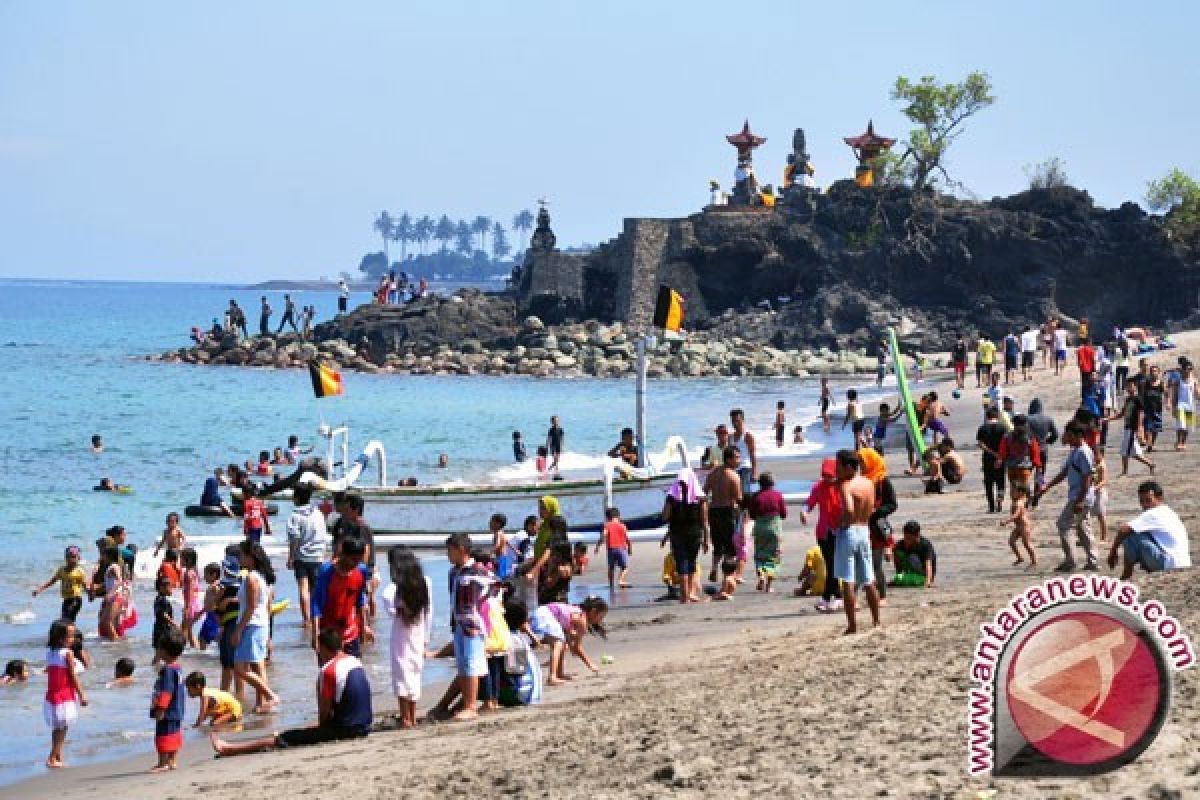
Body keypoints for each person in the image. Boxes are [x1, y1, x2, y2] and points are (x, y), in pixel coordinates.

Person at [210, 627, 372, 756]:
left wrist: (317, 727)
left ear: (322, 647)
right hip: (365, 724)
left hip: (348, 730)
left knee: (284, 738)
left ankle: (229, 749)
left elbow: (324, 716)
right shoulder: (355, 661)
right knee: (307, 730)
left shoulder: (328, 671)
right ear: (341, 645)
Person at [433, 533, 491, 721]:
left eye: (450, 550)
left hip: (472, 623)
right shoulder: (454, 572)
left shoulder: (476, 570)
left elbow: (495, 586)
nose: (448, 555)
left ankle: (471, 706)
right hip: (458, 622)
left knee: (472, 664)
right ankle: (467, 703)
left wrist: (481, 607)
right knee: (463, 665)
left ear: (461, 550)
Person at [1037, 422, 1099, 572]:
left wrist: (1079, 500)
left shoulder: (1083, 452)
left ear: (1078, 435)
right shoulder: (1075, 451)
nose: (1067, 438)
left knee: (1064, 524)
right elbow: (1064, 472)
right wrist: (1047, 487)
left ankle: (1071, 561)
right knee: (1083, 528)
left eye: (1069, 435)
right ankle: (1092, 561)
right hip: (1080, 495)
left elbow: (1087, 478)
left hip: (1080, 496)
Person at [382, 547, 431, 728]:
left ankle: (405, 718)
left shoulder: (395, 588)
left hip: (401, 632)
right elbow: (428, 613)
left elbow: (390, 607)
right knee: (414, 671)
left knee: (401, 671)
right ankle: (412, 715)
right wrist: (426, 637)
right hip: (418, 632)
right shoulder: (424, 583)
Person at [833, 450, 882, 634]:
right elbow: (870, 506)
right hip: (864, 529)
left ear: (848, 467)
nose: (836, 470)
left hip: (851, 531)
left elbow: (850, 509)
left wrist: (843, 521)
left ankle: (852, 625)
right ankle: (876, 621)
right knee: (869, 578)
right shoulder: (869, 483)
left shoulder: (846, 485)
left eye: (838, 466)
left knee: (848, 580)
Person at [232, 540, 280, 713]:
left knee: (240, 668)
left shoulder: (252, 578)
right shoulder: (262, 577)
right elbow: (266, 606)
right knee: (256, 666)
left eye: (242, 555)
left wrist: (238, 630)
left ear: (250, 557)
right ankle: (260, 703)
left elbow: (251, 607)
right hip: (260, 624)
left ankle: (270, 695)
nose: (240, 559)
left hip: (252, 625)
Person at [1107, 481, 1192, 578]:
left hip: (1169, 563)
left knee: (1129, 536)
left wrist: (1113, 552)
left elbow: (1124, 530)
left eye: (1148, 500)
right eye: (1141, 501)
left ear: (1159, 498)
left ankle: (1126, 575)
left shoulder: (1154, 513)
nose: (1144, 505)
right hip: (1182, 562)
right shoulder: (1168, 511)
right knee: (1138, 532)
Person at [312, 537, 372, 656]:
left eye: (359, 560)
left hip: (350, 631)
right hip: (328, 632)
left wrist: (365, 626)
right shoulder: (327, 572)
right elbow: (316, 604)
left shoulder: (361, 571)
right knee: (330, 671)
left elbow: (360, 600)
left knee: (354, 671)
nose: (355, 564)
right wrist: (315, 634)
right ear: (343, 555)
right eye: (353, 560)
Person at [527, 597, 607, 685]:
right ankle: (552, 677)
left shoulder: (577, 611)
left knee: (562, 644)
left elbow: (569, 636)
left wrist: (570, 636)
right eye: (601, 617)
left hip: (543, 612)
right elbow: (577, 647)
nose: (601, 620)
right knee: (558, 644)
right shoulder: (582, 620)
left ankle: (559, 673)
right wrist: (590, 664)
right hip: (546, 615)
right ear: (593, 612)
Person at [660, 468, 709, 604]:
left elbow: (664, 516)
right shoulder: (700, 498)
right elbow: (705, 521)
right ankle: (691, 593)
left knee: (682, 563)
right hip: (695, 533)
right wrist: (706, 539)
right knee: (692, 562)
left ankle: (684, 596)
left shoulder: (672, 497)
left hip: (677, 533)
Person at [43, 619, 87, 768]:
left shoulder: (50, 653)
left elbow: (50, 671)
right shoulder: (67, 653)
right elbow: (72, 676)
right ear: (60, 638)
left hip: (53, 694)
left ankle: (57, 754)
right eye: (71, 636)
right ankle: (52, 757)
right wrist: (82, 695)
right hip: (64, 694)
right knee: (63, 727)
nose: (73, 639)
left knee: (57, 727)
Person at [802, 458, 843, 613]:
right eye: (825, 475)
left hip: (839, 530)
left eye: (830, 475)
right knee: (830, 563)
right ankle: (833, 597)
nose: (827, 479)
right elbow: (809, 502)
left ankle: (830, 597)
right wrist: (804, 512)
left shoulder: (842, 486)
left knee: (834, 565)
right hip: (823, 532)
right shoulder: (818, 487)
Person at [287, 485, 328, 628]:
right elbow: (323, 534)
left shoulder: (295, 516)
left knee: (303, 588)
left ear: (296, 497)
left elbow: (294, 538)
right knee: (315, 589)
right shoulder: (318, 513)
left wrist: (291, 557)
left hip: (301, 557)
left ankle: (306, 620)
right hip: (317, 556)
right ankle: (317, 615)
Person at [860, 448, 896, 603]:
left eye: (862, 461)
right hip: (861, 526)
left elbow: (893, 504)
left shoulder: (883, 480)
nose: (860, 464)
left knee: (876, 564)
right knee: (861, 564)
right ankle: (865, 595)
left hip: (878, 528)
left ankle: (881, 596)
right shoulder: (860, 480)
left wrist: (876, 511)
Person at [703, 445, 743, 584]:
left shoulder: (713, 473)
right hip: (728, 511)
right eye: (737, 457)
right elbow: (738, 498)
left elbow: (705, 492)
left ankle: (714, 568)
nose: (739, 460)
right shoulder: (733, 475)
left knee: (717, 544)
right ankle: (728, 575)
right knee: (730, 546)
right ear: (729, 459)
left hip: (714, 510)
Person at [149, 628, 187, 772]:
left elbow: (166, 691)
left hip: (168, 710)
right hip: (177, 709)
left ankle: (163, 762)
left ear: (163, 651)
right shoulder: (177, 668)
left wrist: (161, 708)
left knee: (163, 735)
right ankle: (172, 761)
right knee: (174, 734)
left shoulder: (168, 671)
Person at [1106, 380, 1156, 476]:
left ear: (1135, 387)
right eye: (1128, 386)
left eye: (1131, 386)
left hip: (1132, 429)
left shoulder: (1138, 399)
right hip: (1127, 428)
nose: (1129, 388)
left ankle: (1124, 472)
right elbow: (1121, 414)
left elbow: (1141, 414)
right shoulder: (1128, 399)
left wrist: (1139, 428)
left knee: (1125, 451)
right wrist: (1107, 419)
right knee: (1133, 453)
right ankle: (1150, 464)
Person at [747, 472, 786, 593]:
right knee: (774, 556)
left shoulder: (756, 496)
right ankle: (768, 586)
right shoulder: (778, 495)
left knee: (759, 554)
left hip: (760, 528)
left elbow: (752, 514)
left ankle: (761, 575)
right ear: (772, 483)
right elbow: (784, 514)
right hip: (774, 528)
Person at [33, 546, 87, 623]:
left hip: (76, 599)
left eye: (74, 557)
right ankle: (70, 633)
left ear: (79, 558)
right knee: (65, 619)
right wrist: (39, 589)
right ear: (65, 558)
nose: (71, 559)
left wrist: (90, 594)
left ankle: (70, 633)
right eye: (68, 557)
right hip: (66, 599)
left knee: (68, 619)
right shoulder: (61, 570)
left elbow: (85, 585)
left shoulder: (79, 571)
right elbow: (52, 581)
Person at [976, 407, 1008, 513]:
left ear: (987, 416)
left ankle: (991, 506)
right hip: (1000, 458)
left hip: (987, 459)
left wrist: (991, 452)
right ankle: (999, 501)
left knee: (988, 482)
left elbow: (981, 444)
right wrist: (999, 455)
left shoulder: (982, 428)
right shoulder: (1003, 428)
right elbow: (1006, 443)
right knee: (1000, 481)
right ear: (997, 416)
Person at [595, 507, 632, 590]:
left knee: (611, 567)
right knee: (625, 567)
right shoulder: (622, 526)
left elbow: (603, 536)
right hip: (622, 549)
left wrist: (598, 546)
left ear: (607, 517)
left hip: (611, 549)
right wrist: (630, 548)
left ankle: (611, 584)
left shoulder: (607, 525)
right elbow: (627, 538)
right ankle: (621, 579)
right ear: (618, 516)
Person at [892, 520, 937, 588]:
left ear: (917, 535)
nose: (906, 540)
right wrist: (899, 574)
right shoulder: (901, 544)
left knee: (912, 557)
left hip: (924, 575)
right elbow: (897, 556)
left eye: (909, 538)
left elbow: (928, 564)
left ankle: (917, 580)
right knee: (897, 550)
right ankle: (904, 578)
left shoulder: (925, 545)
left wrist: (928, 582)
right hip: (910, 573)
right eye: (905, 537)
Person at [1003, 486, 1036, 568]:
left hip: (1024, 526)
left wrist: (1006, 521)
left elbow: (1016, 515)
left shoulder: (1019, 503)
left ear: (1021, 493)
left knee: (1026, 543)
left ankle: (1034, 561)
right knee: (1011, 541)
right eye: (1011, 491)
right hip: (1018, 526)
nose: (1011, 493)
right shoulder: (1016, 501)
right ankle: (1020, 558)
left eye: (1014, 491)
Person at [1170, 359, 1197, 450]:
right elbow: (1175, 395)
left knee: (1187, 426)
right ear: (1184, 369)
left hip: (1191, 405)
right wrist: (1173, 407)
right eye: (1187, 368)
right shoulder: (1178, 381)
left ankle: (1183, 442)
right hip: (1180, 405)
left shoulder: (1194, 380)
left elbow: (1197, 393)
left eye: (1191, 368)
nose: (1189, 370)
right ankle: (1179, 442)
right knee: (1181, 426)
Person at [729, 408, 757, 492]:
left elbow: (752, 454)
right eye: (733, 421)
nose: (735, 423)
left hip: (745, 467)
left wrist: (754, 472)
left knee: (745, 491)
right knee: (734, 491)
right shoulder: (730, 437)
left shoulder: (747, 436)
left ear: (743, 420)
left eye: (737, 421)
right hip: (733, 468)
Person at [151, 576, 177, 666]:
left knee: (161, 653)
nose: (172, 589)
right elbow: (163, 614)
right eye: (170, 587)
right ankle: (155, 668)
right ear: (162, 588)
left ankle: (157, 668)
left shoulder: (159, 599)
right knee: (160, 653)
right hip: (162, 630)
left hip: (160, 629)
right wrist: (173, 623)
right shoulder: (162, 600)